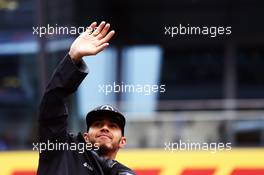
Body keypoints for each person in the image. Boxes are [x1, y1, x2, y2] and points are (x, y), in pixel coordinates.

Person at [37, 21, 136, 175]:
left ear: (122, 141)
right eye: (97, 124)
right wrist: (73, 59)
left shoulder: (123, 173)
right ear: (86, 137)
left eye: (113, 126)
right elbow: (52, 104)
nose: (105, 128)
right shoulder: (62, 150)